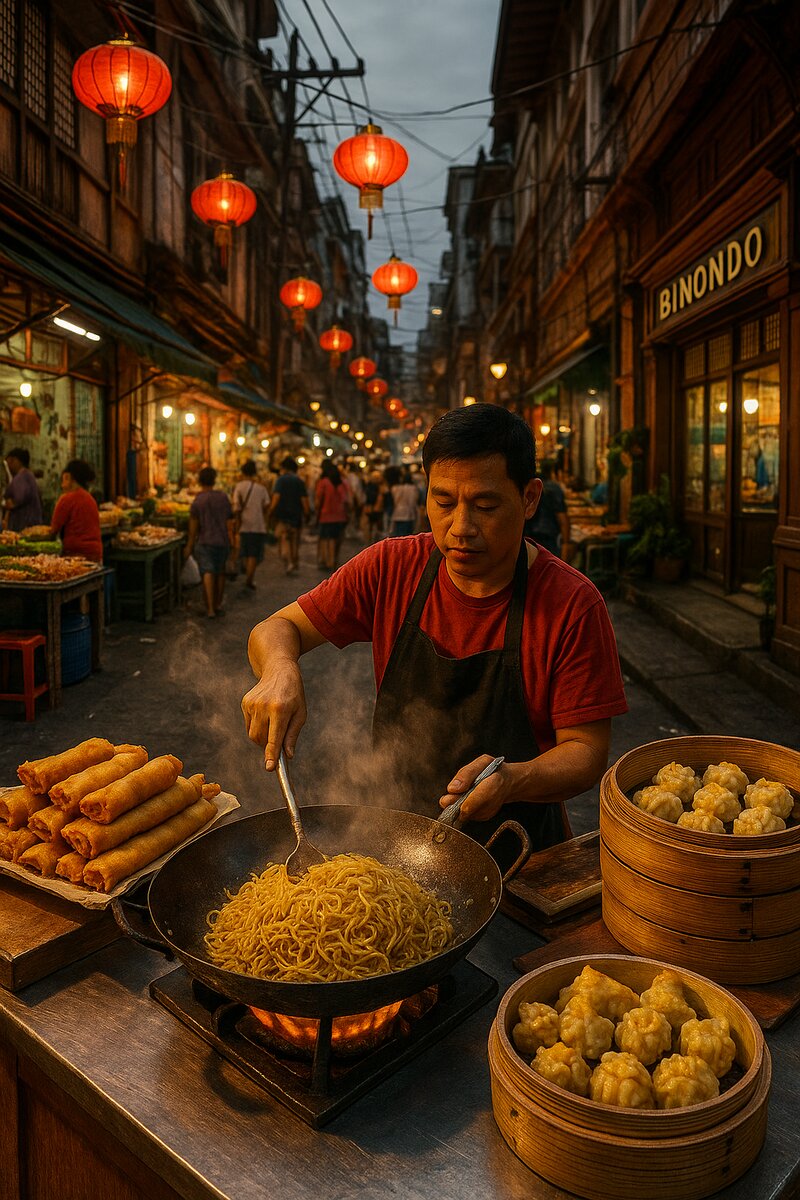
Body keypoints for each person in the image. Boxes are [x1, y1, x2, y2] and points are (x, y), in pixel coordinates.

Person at [242, 403, 628, 864]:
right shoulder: (390, 567)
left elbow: (585, 752)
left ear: (529, 498)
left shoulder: (572, 604)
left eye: (485, 506)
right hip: (391, 836)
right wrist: (279, 669)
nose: (460, 528)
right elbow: (276, 627)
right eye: (443, 502)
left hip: (518, 851)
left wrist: (514, 780)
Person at [184, 466, 233, 618]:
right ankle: (217, 604)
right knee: (220, 573)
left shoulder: (198, 501)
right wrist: (233, 542)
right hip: (222, 541)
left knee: (207, 572)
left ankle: (210, 608)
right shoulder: (223, 497)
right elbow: (230, 522)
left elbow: (193, 528)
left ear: (199, 481)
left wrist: (189, 546)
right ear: (214, 480)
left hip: (205, 542)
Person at [50, 459, 102, 561]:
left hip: (75, 555)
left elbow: (54, 529)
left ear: (71, 479)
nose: (62, 485)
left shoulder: (66, 499)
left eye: (64, 479)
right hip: (96, 553)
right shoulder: (90, 498)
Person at [232, 461, 270, 589]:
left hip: (244, 525)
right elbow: (266, 505)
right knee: (254, 554)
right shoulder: (261, 488)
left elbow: (236, 507)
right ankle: (249, 578)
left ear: (242, 472)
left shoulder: (239, 487)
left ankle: (247, 575)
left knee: (245, 551)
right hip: (258, 525)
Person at [269, 456, 309, 575]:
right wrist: (307, 513)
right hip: (296, 517)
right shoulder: (299, 481)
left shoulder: (281, 480)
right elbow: (304, 500)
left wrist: (270, 511)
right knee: (295, 540)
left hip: (283, 516)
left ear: (284, 468)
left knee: (285, 539)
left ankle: (289, 562)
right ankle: (294, 561)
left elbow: (276, 498)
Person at [525, 460, 571, 559]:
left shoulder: (530, 485)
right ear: (554, 472)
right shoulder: (554, 488)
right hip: (549, 539)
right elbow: (562, 519)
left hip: (528, 537)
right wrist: (566, 544)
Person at [314, 459, 350, 571]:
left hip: (326, 515)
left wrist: (316, 512)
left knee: (327, 539)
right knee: (336, 538)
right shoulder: (342, 482)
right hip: (340, 516)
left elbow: (319, 500)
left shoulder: (323, 482)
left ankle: (328, 561)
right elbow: (346, 499)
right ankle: (334, 560)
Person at [3, 448, 43, 532]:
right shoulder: (28, 475)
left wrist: (5, 503)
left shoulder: (21, 477)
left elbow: (17, 500)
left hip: (24, 524)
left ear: (15, 461)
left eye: (10, 462)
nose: (9, 467)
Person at [389, 467, 421, 537]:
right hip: (409, 514)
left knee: (398, 537)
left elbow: (394, 501)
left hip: (397, 514)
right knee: (407, 536)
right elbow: (414, 502)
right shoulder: (413, 489)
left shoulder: (395, 488)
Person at [362, 469, 386, 544]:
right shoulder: (380, 487)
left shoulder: (369, 486)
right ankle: (373, 541)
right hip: (376, 508)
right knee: (374, 526)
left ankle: (370, 541)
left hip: (372, 508)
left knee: (371, 526)